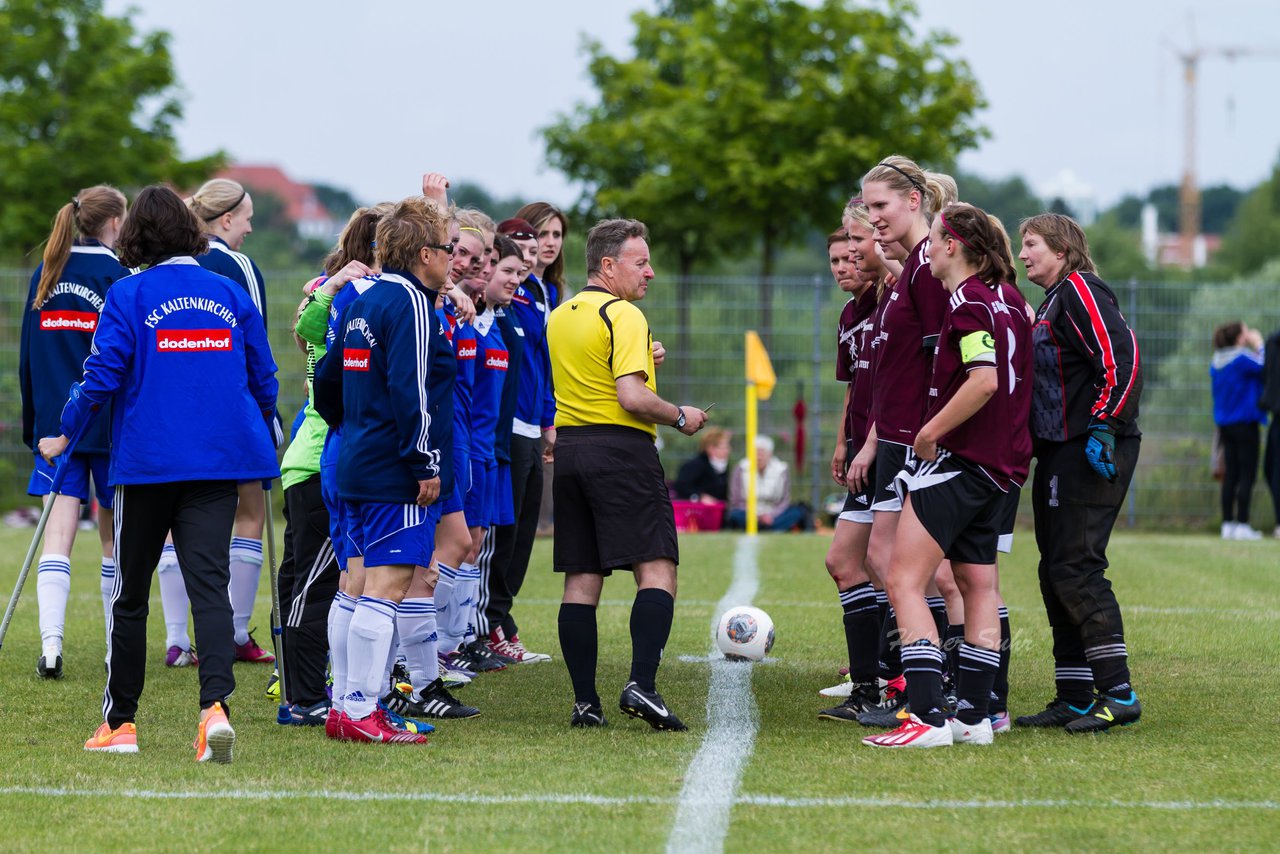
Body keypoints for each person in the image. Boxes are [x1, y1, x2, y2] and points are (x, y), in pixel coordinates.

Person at [40, 184, 281, 762]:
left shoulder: (128, 293)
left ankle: (120, 724)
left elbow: (99, 376)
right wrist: (264, 424)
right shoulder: (228, 291)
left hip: (146, 466)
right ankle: (213, 712)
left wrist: (65, 432)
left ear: (137, 235)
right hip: (217, 465)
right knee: (210, 588)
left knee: (130, 594)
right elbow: (265, 376)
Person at [862, 203, 1028, 749]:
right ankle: (975, 718)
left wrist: (930, 432)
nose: (926, 248)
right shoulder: (1011, 299)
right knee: (979, 584)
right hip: (1004, 469)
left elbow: (982, 381)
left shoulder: (968, 302)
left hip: (962, 462)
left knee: (902, 579)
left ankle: (928, 716)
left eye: (933, 238)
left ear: (954, 245)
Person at [548, 218, 708, 730]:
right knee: (657, 568)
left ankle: (584, 703)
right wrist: (682, 416)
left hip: (570, 451)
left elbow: (593, 371)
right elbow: (630, 397)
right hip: (620, 451)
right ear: (608, 265)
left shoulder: (560, 314)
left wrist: (646, 357)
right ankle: (642, 684)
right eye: (641, 263)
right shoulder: (625, 314)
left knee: (581, 578)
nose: (651, 272)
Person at [317, 195, 456, 745]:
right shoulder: (413, 304)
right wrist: (422, 460)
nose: (450, 258)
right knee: (386, 587)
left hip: (354, 458)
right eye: (447, 248)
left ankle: (344, 705)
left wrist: (353, 427)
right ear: (425, 254)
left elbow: (326, 378)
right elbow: (411, 389)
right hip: (393, 467)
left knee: (354, 588)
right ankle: (360, 711)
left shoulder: (361, 299)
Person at [1016, 212, 1143, 733]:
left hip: (1092, 446)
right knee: (1054, 571)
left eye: (1031, 245)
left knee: (1077, 566)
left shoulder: (1081, 287)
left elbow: (1123, 355)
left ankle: (1118, 693)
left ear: (1062, 250)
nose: (1023, 254)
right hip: (1059, 450)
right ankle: (1074, 695)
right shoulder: (1051, 301)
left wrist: (1105, 424)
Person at [849, 155, 962, 729]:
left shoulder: (926, 269)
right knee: (884, 560)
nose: (872, 220)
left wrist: (933, 431)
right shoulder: (908, 270)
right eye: (867, 208)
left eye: (880, 207)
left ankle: (954, 691)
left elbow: (951, 359)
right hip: (896, 439)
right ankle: (923, 684)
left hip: (922, 444)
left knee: (944, 573)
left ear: (915, 201)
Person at [20, 185, 130, 678]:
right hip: (108, 426)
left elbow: (26, 359)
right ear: (113, 224)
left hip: (52, 428)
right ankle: (113, 650)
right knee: (115, 539)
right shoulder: (119, 276)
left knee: (57, 536)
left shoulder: (46, 272)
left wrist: (35, 425)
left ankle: (51, 648)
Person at [186, 177, 275, 664]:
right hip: (228, 411)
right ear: (225, 220)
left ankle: (178, 638)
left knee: (179, 520)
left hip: (175, 413)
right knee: (249, 512)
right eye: (248, 220)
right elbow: (255, 347)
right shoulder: (234, 265)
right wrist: (268, 414)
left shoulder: (170, 258)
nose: (250, 229)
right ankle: (236, 634)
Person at [817, 216, 888, 721]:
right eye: (837, 260)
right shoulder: (850, 314)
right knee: (846, 562)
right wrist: (844, 441)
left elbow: (900, 388)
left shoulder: (893, 302)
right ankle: (868, 685)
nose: (846, 266)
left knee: (901, 570)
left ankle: (910, 681)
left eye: (852, 254)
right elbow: (855, 385)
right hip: (862, 450)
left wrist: (869, 443)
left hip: (889, 450)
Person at [478, 216, 555, 663]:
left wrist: (548, 419)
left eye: (548, 239)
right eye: (524, 247)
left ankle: (498, 622)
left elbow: (542, 368)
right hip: (501, 434)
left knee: (520, 537)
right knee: (493, 538)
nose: (537, 250)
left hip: (528, 430)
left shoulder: (535, 301)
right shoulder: (499, 309)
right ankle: (487, 626)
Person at [1210, 321, 1266, 540]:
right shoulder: (1242, 359)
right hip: (1245, 423)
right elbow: (1265, 365)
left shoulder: (1216, 362)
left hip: (1225, 425)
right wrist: (1259, 342)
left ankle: (1227, 524)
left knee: (1230, 474)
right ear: (1240, 337)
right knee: (1247, 474)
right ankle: (1243, 524)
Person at [727, 435, 810, 531]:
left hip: (774, 513)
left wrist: (770, 516)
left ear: (770, 454)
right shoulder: (740, 468)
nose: (758, 457)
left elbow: (784, 501)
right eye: (755, 452)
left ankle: (765, 527)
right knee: (735, 515)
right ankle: (768, 527)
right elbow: (735, 499)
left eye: (762, 453)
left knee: (796, 512)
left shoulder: (781, 469)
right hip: (748, 512)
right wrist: (756, 515)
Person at [672, 427, 732, 503]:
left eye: (727, 447)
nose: (727, 451)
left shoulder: (723, 466)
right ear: (711, 448)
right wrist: (699, 496)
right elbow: (681, 486)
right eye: (723, 447)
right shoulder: (695, 465)